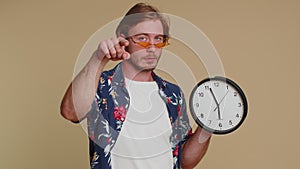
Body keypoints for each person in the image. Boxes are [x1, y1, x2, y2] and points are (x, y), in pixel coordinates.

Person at [60, 3, 211, 169]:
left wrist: (208, 125)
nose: (152, 48)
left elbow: (183, 161)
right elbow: (70, 112)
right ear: (123, 38)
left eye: (158, 39)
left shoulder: (173, 94)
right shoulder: (101, 84)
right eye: (143, 38)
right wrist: (98, 59)